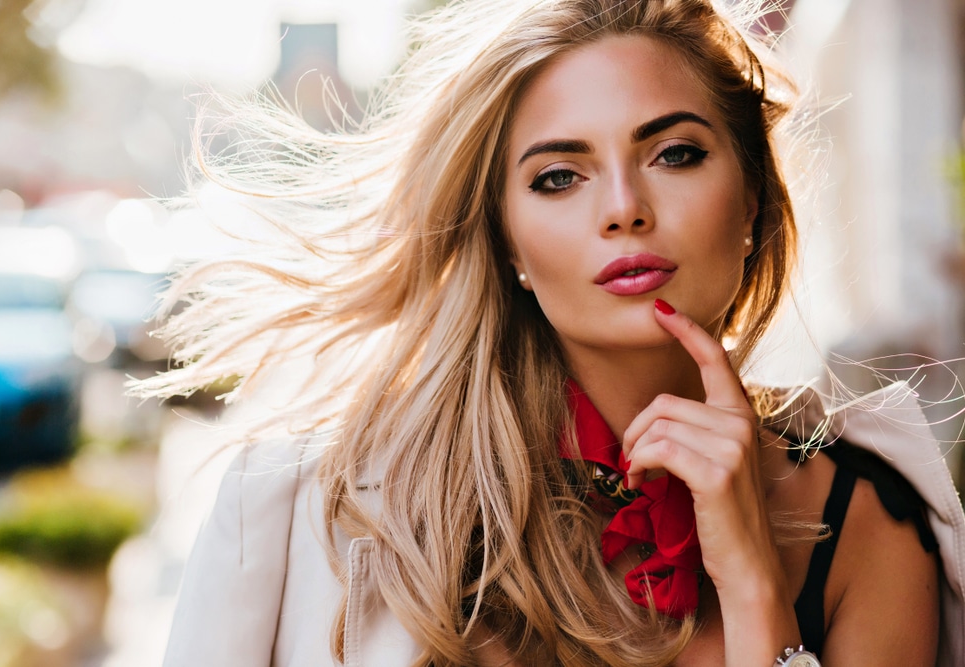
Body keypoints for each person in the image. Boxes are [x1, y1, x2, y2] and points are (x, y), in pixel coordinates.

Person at [140, 0, 965, 665]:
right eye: (559, 176)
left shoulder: (868, 523)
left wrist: (754, 589)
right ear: (507, 242)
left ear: (751, 200)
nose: (623, 206)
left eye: (675, 153)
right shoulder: (307, 508)